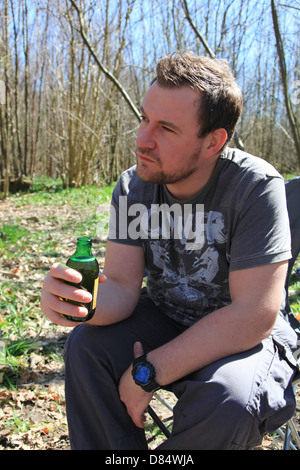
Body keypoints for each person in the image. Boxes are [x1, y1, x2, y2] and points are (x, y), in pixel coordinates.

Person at [40, 51, 298, 450]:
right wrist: (78, 302)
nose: (142, 139)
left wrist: (149, 370)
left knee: (230, 400)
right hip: (165, 315)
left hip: (243, 338)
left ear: (213, 141)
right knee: (85, 346)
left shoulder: (255, 188)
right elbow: (124, 287)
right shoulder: (134, 188)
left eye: (166, 128)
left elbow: (253, 316)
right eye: (144, 118)